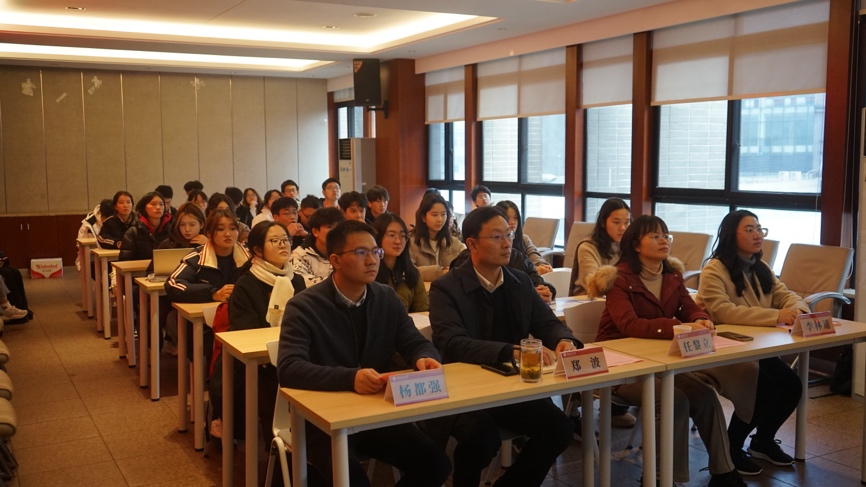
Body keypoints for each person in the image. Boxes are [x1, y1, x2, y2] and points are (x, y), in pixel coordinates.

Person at [277, 220, 451, 487]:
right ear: (335, 260)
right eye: (360, 253)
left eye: (375, 252)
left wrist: (424, 357)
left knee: (436, 465)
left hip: (375, 412)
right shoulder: (304, 306)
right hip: (320, 420)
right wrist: (350, 378)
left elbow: (413, 341)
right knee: (353, 482)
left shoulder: (385, 298)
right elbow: (289, 368)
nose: (372, 260)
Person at [588, 215, 745, 487]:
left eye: (666, 235)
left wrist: (699, 319)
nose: (664, 241)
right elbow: (629, 324)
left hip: (659, 361)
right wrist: (676, 326)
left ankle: (724, 471)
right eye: (655, 236)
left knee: (704, 394)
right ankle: (662, 478)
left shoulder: (672, 275)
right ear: (636, 245)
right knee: (673, 399)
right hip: (619, 367)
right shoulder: (619, 279)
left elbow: (688, 307)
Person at [427, 206, 579, 487]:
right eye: (497, 237)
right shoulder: (446, 288)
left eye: (509, 235)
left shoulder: (519, 282)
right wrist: (509, 351)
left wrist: (563, 340)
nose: (508, 243)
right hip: (465, 391)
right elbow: (452, 343)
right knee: (481, 438)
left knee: (559, 428)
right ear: (472, 244)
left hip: (510, 387)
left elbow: (547, 323)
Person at [695, 210, 804, 475]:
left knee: (791, 385)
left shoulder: (760, 266)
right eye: (749, 229)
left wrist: (798, 310)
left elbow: (786, 295)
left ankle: (762, 442)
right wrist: (776, 316)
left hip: (755, 346)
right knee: (764, 390)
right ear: (731, 235)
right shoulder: (714, 269)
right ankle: (731, 447)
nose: (758, 235)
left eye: (759, 229)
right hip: (722, 350)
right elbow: (723, 311)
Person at [210, 221, 305, 447]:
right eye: (275, 241)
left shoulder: (296, 280)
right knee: (271, 390)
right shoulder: (246, 284)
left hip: (292, 355)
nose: (283, 245)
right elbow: (247, 333)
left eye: (286, 240)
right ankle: (281, 450)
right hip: (255, 363)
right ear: (258, 250)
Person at [166, 209, 250, 362]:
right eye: (221, 229)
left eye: (233, 228)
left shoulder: (248, 257)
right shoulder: (198, 256)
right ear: (209, 234)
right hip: (206, 323)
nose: (228, 234)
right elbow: (173, 284)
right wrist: (212, 293)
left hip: (241, 317)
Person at [570, 198, 630, 297]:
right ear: (602, 223)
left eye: (627, 222)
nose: (622, 228)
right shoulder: (587, 247)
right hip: (588, 302)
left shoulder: (630, 246)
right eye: (616, 222)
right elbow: (596, 286)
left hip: (619, 299)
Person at [371, 213, 428, 312]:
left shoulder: (411, 272)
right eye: (391, 235)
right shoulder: (369, 272)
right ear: (377, 237)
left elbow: (422, 309)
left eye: (402, 236)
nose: (398, 241)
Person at [409, 192, 465, 281]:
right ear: (423, 217)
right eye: (434, 215)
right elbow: (408, 271)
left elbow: (468, 264)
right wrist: (439, 272)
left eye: (443, 214)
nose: (440, 219)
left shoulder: (454, 243)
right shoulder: (410, 243)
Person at [290, 207, 345, 288]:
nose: (336, 232)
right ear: (315, 232)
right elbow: (303, 285)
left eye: (338, 227)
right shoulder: (299, 255)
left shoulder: (347, 252)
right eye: (330, 227)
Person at [494, 201, 553, 275]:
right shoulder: (495, 242)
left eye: (515, 218)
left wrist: (542, 265)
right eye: (508, 218)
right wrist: (533, 270)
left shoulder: (524, 238)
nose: (512, 222)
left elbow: (533, 254)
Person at [119, 191, 172, 261]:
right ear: (144, 208)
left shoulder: (171, 230)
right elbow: (125, 260)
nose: (158, 207)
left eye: (161, 204)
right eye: (153, 204)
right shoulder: (133, 232)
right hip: (139, 268)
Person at [76, 199, 114, 271]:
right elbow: (80, 245)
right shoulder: (88, 224)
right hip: (92, 257)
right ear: (102, 216)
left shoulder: (117, 219)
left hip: (112, 255)